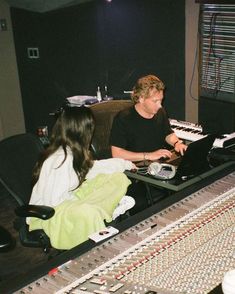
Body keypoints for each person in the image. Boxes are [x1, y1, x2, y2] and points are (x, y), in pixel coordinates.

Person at [28, 106, 135, 250]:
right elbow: (52, 201)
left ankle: (104, 209)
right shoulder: (61, 160)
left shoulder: (73, 152)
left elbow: (93, 168)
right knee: (88, 213)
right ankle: (102, 219)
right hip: (51, 212)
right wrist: (83, 200)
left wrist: (124, 164)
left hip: (70, 198)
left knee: (118, 178)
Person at [110, 74, 187, 213]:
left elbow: (167, 134)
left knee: (185, 184)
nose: (160, 105)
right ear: (140, 98)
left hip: (157, 167)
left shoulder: (160, 112)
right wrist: (148, 155)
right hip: (135, 174)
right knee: (145, 205)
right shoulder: (123, 119)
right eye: (155, 101)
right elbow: (116, 154)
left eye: (161, 100)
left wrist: (177, 143)